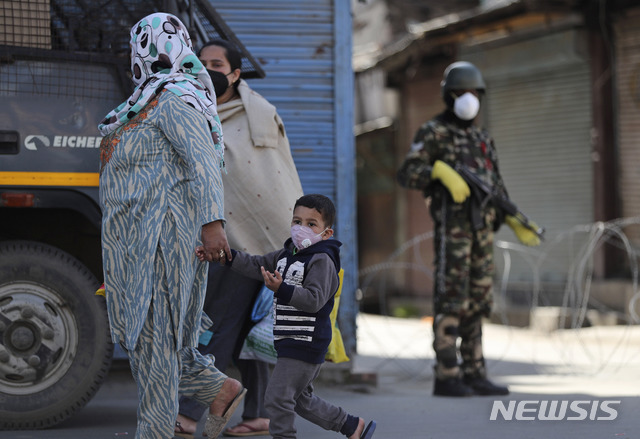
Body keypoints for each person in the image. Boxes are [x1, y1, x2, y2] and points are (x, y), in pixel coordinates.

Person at [97, 13, 246, 439]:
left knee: (158, 348)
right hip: (133, 244)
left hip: (165, 240)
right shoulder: (142, 101)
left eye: (154, 42)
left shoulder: (176, 98)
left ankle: (156, 432)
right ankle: (221, 390)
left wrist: (213, 225)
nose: (150, 52)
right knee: (151, 345)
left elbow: (202, 164)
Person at [175, 39, 304, 437]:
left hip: (270, 237)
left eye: (217, 63)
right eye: (201, 63)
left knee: (262, 326)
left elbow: (274, 176)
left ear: (235, 74)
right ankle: (193, 410)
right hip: (224, 240)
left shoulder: (260, 115)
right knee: (219, 322)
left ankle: (256, 414)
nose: (207, 70)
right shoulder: (189, 112)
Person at [396, 61, 541, 397]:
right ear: (449, 96)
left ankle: (475, 371)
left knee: (478, 301)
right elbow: (407, 172)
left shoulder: (482, 138)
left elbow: (495, 186)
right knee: (452, 299)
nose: (469, 98)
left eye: (474, 92)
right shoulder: (433, 132)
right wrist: (438, 172)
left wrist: (516, 218)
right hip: (453, 233)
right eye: (462, 92)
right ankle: (447, 374)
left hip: (482, 234)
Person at [196, 194, 376, 439]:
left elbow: (314, 300)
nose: (302, 228)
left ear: (326, 234)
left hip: (306, 342)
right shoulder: (286, 254)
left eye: (311, 224)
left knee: (277, 397)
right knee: (300, 400)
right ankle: (351, 426)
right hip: (289, 339)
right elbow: (255, 264)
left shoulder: (321, 260)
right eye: (297, 221)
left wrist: (281, 289)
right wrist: (222, 256)